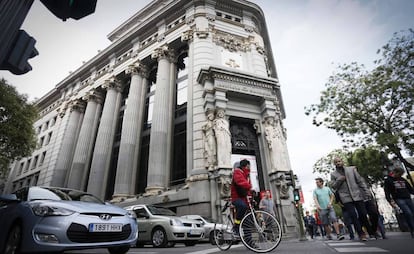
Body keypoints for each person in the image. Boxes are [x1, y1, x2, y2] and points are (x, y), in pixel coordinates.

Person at [384, 167, 414, 238]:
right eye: (399, 174)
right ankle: (412, 229)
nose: (400, 176)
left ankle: (412, 228)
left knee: (412, 213)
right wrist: (390, 201)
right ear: (395, 172)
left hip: (407, 197)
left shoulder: (402, 179)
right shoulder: (388, 180)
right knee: (408, 213)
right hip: (399, 198)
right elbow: (387, 191)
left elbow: (410, 189)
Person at [231, 159, 252, 238]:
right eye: (248, 166)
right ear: (245, 166)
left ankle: (249, 242)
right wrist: (249, 187)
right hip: (236, 198)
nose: (249, 167)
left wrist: (251, 193)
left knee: (248, 219)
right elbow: (240, 181)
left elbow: (247, 189)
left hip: (245, 199)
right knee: (242, 207)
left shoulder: (247, 175)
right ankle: (236, 227)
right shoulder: (237, 172)